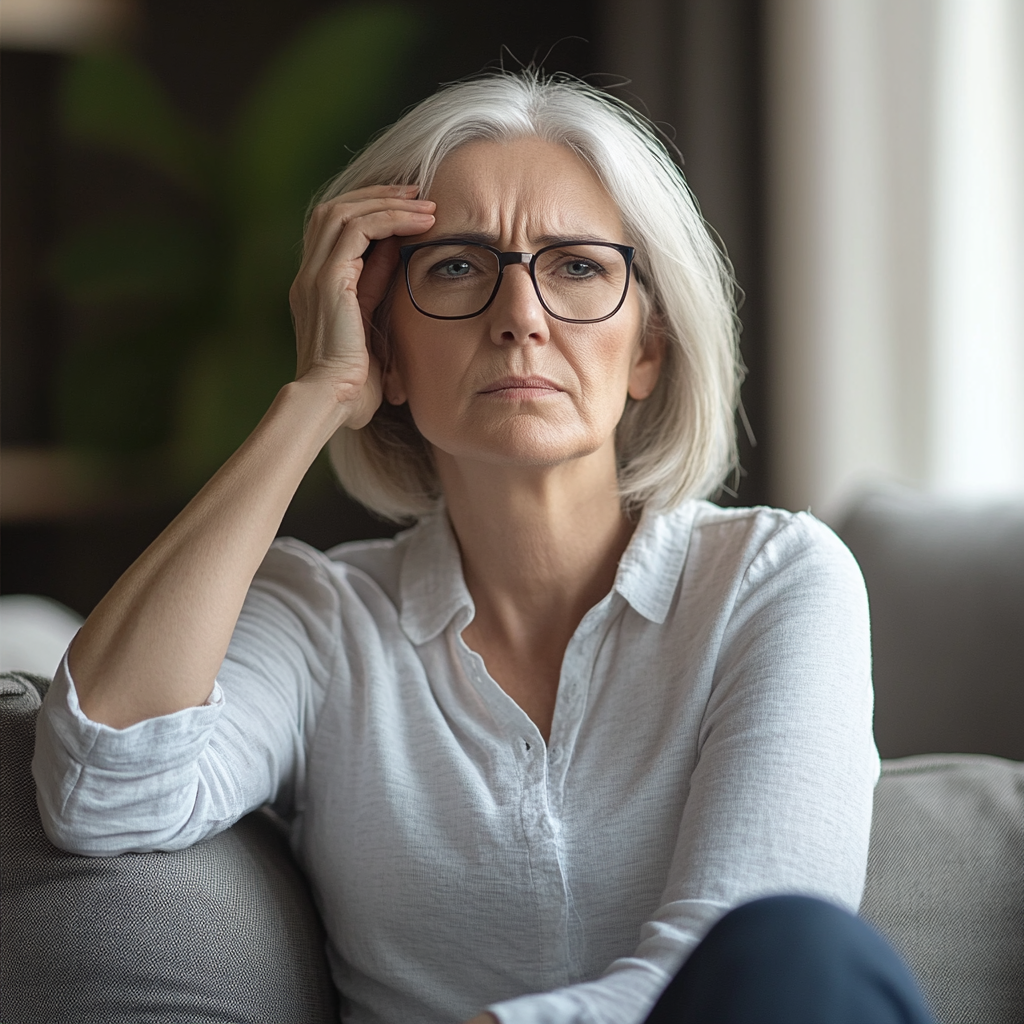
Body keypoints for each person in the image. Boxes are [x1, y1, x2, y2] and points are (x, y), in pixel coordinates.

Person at [32, 71, 936, 1024]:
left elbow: (749, 959)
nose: (522, 317)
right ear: (386, 343)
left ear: (648, 350)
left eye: (578, 266)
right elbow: (106, 792)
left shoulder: (775, 580)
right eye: (457, 267)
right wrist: (312, 401)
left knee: (799, 949)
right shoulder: (325, 623)